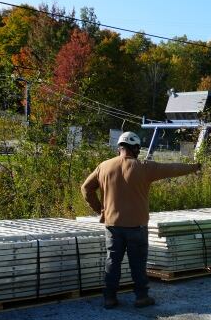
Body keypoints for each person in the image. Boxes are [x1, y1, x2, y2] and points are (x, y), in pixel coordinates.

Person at [81, 131, 201, 309]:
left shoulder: (104, 167)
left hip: (113, 225)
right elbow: (172, 169)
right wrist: (195, 167)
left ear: (119, 148)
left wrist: (100, 209)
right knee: (137, 263)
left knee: (112, 261)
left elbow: (85, 189)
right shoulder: (144, 167)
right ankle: (141, 297)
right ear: (135, 148)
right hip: (137, 226)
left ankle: (110, 298)